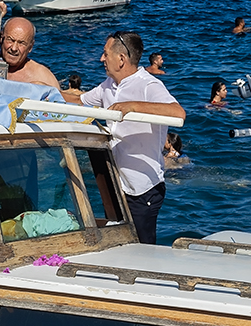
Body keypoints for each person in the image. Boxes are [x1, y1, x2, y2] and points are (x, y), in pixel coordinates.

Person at [61, 31, 185, 244]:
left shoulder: (148, 85)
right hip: (117, 183)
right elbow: (80, 101)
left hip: (143, 188)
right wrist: (41, 89)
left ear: (121, 59)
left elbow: (178, 113)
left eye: (105, 53)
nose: (101, 59)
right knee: (118, 244)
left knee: (142, 249)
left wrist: (133, 106)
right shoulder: (108, 85)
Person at [0, 17, 60, 88]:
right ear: (1, 38)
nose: (14, 48)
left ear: (30, 47)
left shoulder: (43, 78)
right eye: (10, 40)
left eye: (21, 43)